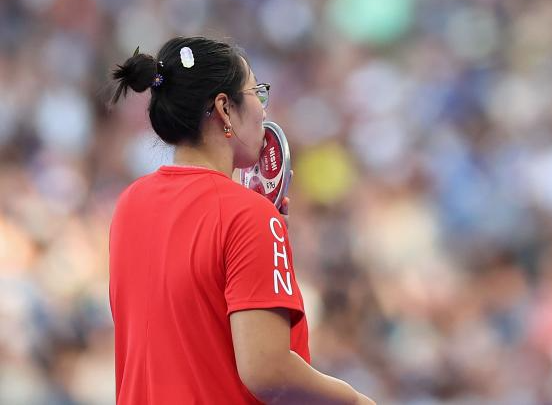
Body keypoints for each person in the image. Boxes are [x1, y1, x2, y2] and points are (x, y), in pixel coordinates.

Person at [107, 36, 375, 405]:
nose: (263, 111)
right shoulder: (248, 215)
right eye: (256, 94)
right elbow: (267, 370)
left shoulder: (129, 203)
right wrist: (356, 401)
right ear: (224, 108)